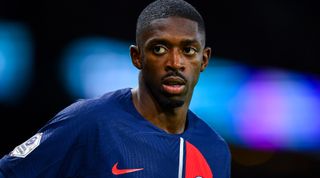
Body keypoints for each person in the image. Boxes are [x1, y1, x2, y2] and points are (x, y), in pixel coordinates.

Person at [0, 0, 231, 177]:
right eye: (159, 49)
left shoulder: (215, 151)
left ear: (204, 60)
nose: (175, 63)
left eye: (188, 50)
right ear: (137, 57)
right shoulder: (91, 121)